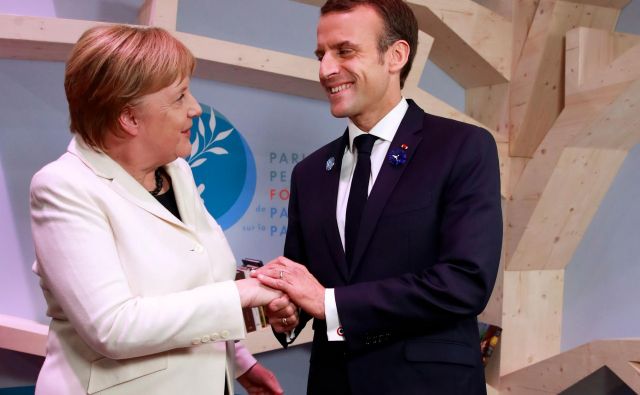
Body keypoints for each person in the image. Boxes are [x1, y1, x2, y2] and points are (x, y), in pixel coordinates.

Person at [29, 25, 296, 395]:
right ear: (129, 118)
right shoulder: (64, 187)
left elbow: (196, 287)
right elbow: (113, 327)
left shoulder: (178, 172)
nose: (195, 108)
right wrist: (244, 296)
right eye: (179, 96)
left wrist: (239, 362)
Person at [254, 1, 503, 394]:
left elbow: (464, 281)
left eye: (344, 51)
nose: (325, 70)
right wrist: (288, 312)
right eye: (321, 55)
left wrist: (329, 303)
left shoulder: (462, 147)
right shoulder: (309, 173)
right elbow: (310, 290)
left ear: (396, 56)